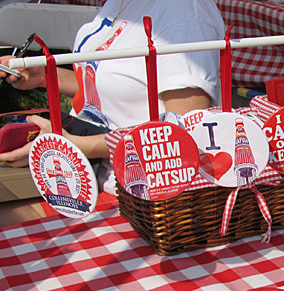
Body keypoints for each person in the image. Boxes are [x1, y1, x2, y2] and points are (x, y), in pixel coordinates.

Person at [0, 0, 225, 196]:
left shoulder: (183, 13)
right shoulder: (122, 3)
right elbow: (108, 86)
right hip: (79, 171)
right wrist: (47, 76)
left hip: (132, 193)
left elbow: (180, 133)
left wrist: (73, 145)